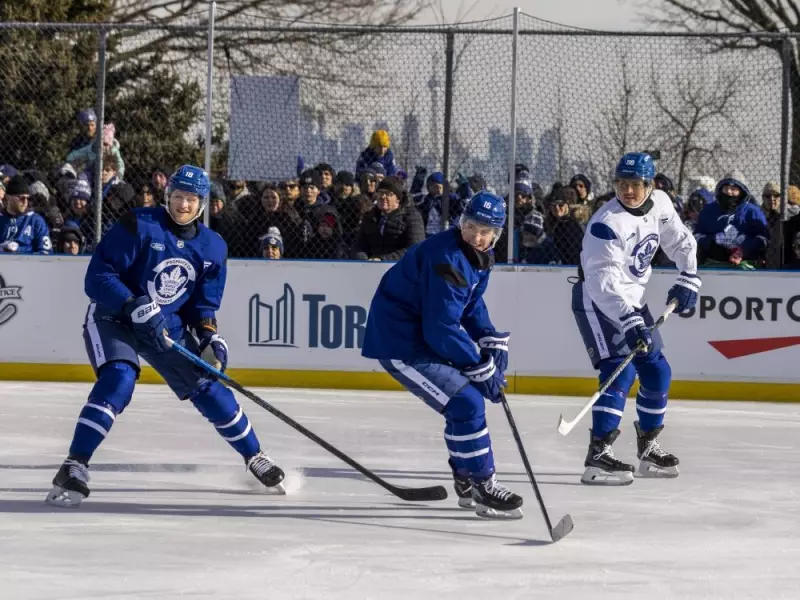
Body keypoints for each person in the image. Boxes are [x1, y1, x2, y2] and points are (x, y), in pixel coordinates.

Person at [46, 165, 285, 508]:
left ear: (201, 203)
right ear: (167, 196)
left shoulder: (213, 247)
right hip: (113, 315)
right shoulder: (139, 224)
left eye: (190, 199)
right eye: (177, 197)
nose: (183, 205)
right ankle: (74, 464)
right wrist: (132, 303)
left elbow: (203, 306)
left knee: (208, 384)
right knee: (120, 377)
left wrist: (208, 337)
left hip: (165, 324)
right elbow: (97, 277)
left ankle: (255, 456)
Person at [361, 191, 522, 519]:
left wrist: (489, 338)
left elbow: (470, 304)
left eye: (485, 231)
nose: (477, 236)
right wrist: (480, 366)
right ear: (462, 222)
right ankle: (483, 484)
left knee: (465, 404)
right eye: (472, 226)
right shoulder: (448, 257)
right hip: (401, 343)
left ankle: (467, 479)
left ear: (497, 235)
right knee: (467, 402)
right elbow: (441, 328)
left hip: (420, 336)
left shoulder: (478, 255)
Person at [572, 152, 700, 486]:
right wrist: (628, 320)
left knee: (657, 370)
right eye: (622, 184)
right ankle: (598, 454)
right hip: (599, 303)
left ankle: (647, 446)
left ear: (650, 184)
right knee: (620, 368)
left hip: (632, 301)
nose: (627, 191)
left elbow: (680, 240)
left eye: (634, 184)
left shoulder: (659, 203)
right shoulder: (606, 224)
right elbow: (602, 284)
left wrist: (689, 275)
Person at [0, 174, 52, 254]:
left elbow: (46, 252)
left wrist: (19, 250)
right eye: (21, 198)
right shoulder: (1, 218)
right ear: (9, 197)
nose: (25, 202)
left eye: (28, 198)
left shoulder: (35, 220)